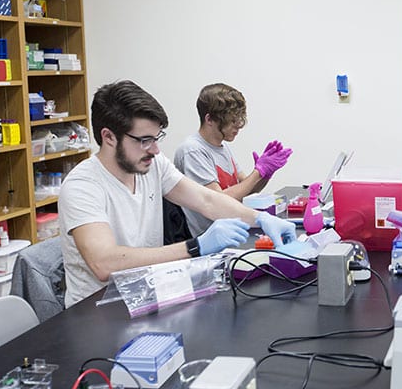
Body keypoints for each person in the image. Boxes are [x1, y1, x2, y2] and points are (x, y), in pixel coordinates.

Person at [59, 80, 297, 307]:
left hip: (145, 295)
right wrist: (195, 247)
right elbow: (105, 263)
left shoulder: (152, 164)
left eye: (156, 137)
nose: (155, 149)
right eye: (144, 140)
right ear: (108, 137)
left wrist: (261, 219)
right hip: (97, 310)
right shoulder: (83, 186)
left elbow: (206, 199)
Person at [174, 83, 292, 236]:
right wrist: (258, 172)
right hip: (211, 238)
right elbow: (218, 201)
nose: (238, 126)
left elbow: (248, 190)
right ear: (209, 119)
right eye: (231, 120)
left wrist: (266, 174)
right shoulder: (192, 150)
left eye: (239, 119)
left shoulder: (222, 146)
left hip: (233, 227)